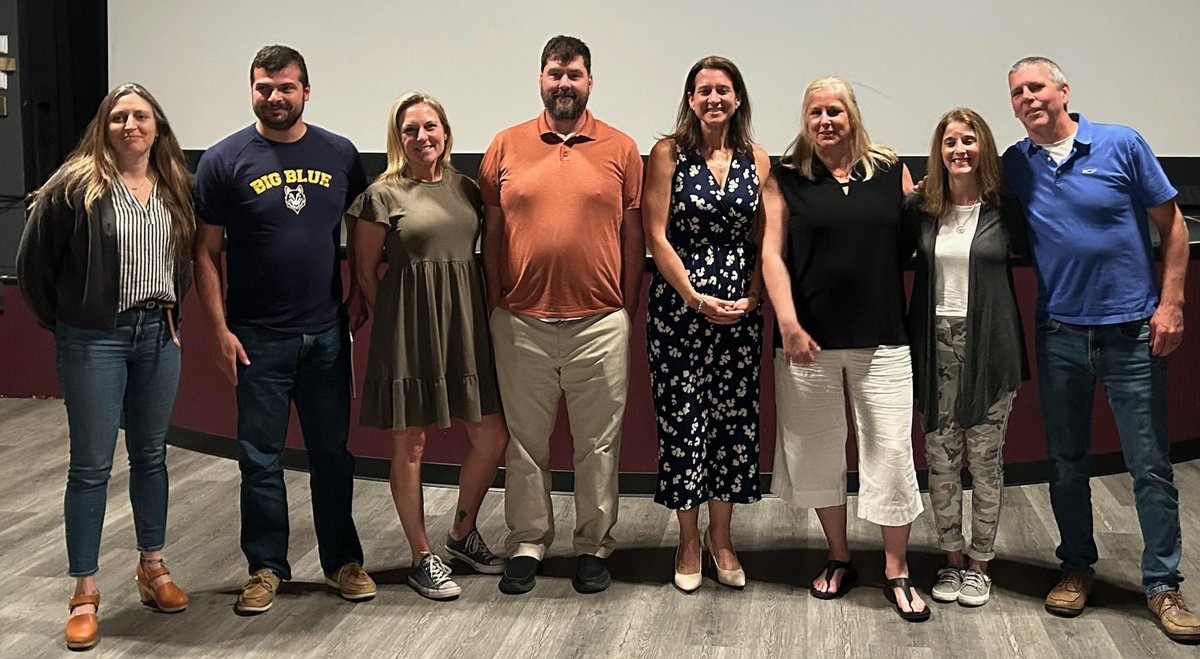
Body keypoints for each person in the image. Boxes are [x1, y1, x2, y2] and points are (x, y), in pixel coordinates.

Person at [1003, 56, 1197, 642]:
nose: (1028, 98)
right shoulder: (1017, 162)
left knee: (1150, 468)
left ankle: (1163, 585)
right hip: (1061, 332)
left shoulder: (1120, 144)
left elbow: (1174, 225)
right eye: (1016, 93)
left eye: (1037, 87)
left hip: (1133, 331)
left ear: (1064, 90)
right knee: (1066, 464)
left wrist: (1172, 304)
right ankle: (1077, 567)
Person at [193, 45, 375, 615]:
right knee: (260, 459)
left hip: (325, 335)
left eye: (286, 87)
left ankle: (343, 561)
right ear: (252, 90)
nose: (275, 97)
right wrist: (220, 328)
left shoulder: (341, 154)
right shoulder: (223, 160)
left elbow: (364, 229)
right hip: (257, 339)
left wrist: (360, 291)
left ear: (306, 91)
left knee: (332, 456)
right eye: (264, 87)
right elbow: (206, 252)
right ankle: (266, 567)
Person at [17, 82, 194, 650]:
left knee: (150, 455)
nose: (130, 125)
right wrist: (73, 322)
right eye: (119, 117)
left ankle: (152, 566)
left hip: (158, 333)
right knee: (91, 466)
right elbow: (34, 270)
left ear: (157, 126)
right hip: (94, 338)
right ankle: (85, 592)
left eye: (141, 116)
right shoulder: (74, 188)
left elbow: (185, 264)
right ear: (104, 126)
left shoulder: (174, 187)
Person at [478, 35, 644, 595]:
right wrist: (497, 300)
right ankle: (528, 541)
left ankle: (594, 544)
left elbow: (632, 233)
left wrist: (623, 304)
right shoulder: (504, 145)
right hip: (521, 320)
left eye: (574, 74)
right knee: (525, 442)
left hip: (599, 322)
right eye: (555, 74)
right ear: (540, 79)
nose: (564, 83)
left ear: (590, 81)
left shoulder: (621, 148)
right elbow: (493, 231)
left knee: (598, 443)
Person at [760, 76, 928, 622]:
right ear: (804, 121)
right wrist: (787, 323)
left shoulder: (889, 171)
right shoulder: (785, 176)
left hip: (884, 339)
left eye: (835, 110)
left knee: (892, 454)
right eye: (815, 113)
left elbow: (920, 236)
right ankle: (838, 555)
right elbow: (772, 255)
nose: (826, 120)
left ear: (853, 115)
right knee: (817, 453)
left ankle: (897, 567)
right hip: (808, 343)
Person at [348, 92, 509, 600]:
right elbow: (366, 269)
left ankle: (460, 534)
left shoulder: (465, 189)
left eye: (430, 126)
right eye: (411, 129)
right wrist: (401, 316)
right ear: (399, 137)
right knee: (411, 443)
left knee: (492, 435)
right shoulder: (381, 194)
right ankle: (422, 556)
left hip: (465, 327)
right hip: (408, 331)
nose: (422, 136)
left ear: (446, 132)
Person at [643, 56, 770, 592]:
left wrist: (754, 296)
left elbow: (765, 240)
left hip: (739, 318)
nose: (713, 98)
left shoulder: (758, 159)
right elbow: (655, 235)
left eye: (723, 90)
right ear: (690, 99)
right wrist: (695, 298)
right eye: (703, 90)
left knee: (731, 426)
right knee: (684, 425)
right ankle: (689, 541)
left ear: (738, 98)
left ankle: (723, 540)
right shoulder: (667, 154)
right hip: (679, 314)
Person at [904, 108, 1028, 607]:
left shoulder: (1005, 208)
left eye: (968, 140)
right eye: (950, 142)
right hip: (934, 345)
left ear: (984, 148)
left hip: (990, 346)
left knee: (985, 460)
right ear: (940, 151)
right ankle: (951, 559)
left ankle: (981, 563)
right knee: (940, 458)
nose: (959, 150)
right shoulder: (922, 208)